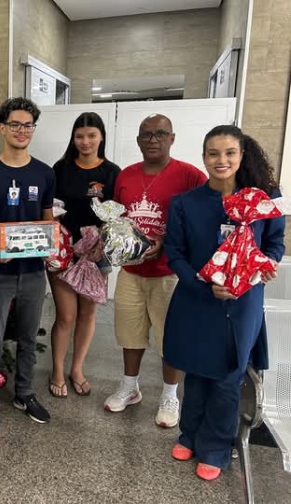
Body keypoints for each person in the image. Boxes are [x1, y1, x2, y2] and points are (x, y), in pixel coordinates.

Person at [163, 125, 285, 480]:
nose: (222, 160)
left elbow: (274, 244)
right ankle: (189, 434)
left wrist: (259, 270)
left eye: (230, 153)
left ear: (241, 156)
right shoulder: (186, 203)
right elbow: (175, 253)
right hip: (198, 300)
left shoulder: (262, 200)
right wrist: (203, 285)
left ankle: (216, 447)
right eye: (213, 153)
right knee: (197, 372)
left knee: (229, 377)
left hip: (242, 304)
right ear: (203, 158)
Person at [104, 114, 206, 428]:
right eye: (146, 134)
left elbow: (203, 219)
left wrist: (169, 242)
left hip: (169, 273)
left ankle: (169, 395)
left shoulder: (190, 176)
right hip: (132, 272)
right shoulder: (125, 176)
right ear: (137, 140)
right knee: (129, 334)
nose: (153, 139)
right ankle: (130, 386)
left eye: (160, 134)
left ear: (172, 138)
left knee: (170, 339)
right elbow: (116, 217)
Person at [0, 97, 55, 433]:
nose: (22, 131)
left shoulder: (44, 173)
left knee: (28, 337)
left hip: (33, 271)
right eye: (15, 124)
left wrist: (52, 243)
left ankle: (24, 392)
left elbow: (47, 218)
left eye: (28, 125)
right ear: (1, 128)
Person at [49, 112, 121, 398]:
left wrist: (100, 241)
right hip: (64, 251)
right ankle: (56, 369)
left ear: (101, 136)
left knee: (87, 315)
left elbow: (117, 213)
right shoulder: (61, 168)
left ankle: (76, 368)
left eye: (92, 135)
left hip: (96, 254)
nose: (85, 141)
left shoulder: (112, 172)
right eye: (80, 136)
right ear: (73, 138)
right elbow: (49, 208)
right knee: (66, 316)